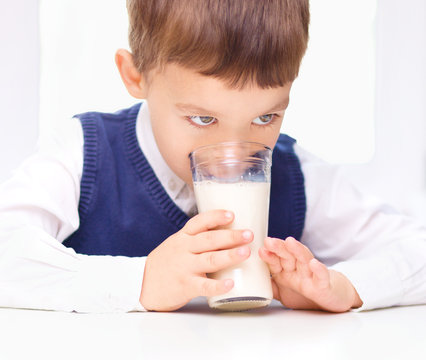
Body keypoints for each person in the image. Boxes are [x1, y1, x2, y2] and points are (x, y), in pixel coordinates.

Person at [0, 0, 425, 313]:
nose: (236, 153)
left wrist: (343, 286)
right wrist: (140, 281)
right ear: (136, 76)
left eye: (265, 117)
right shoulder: (83, 155)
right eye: (203, 118)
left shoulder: (299, 177)